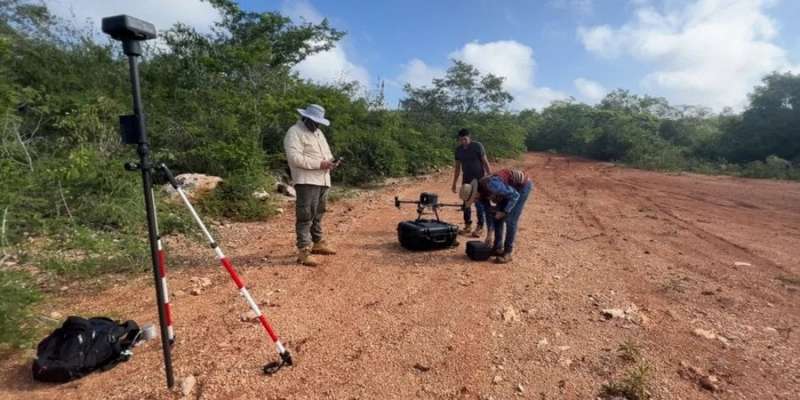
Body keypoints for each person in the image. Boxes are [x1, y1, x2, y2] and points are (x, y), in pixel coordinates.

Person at [283, 104, 340, 266]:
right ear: (306, 118)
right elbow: (294, 158)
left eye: (319, 122)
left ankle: (318, 242)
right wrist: (320, 164)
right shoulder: (294, 132)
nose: (318, 124)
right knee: (305, 216)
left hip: (322, 179)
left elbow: (327, 154)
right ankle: (304, 250)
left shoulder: (318, 133)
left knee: (318, 213)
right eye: (315, 121)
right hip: (306, 180)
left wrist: (330, 163)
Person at [460, 169, 533, 264]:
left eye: (473, 198)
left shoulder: (492, 185)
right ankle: (497, 248)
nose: (474, 201)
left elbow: (514, 195)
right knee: (497, 217)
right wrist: (489, 234)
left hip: (521, 187)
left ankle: (508, 252)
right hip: (508, 189)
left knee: (510, 220)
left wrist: (504, 211)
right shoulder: (481, 196)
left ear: (475, 192)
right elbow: (488, 213)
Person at [450, 128, 491, 237]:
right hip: (466, 180)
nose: (463, 142)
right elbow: (457, 168)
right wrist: (454, 183)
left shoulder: (477, 146)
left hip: (479, 179)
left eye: (465, 139)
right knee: (466, 204)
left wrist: (490, 177)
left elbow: (485, 162)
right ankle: (467, 226)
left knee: (479, 204)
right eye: (461, 140)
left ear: (469, 137)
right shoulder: (458, 150)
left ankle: (480, 227)